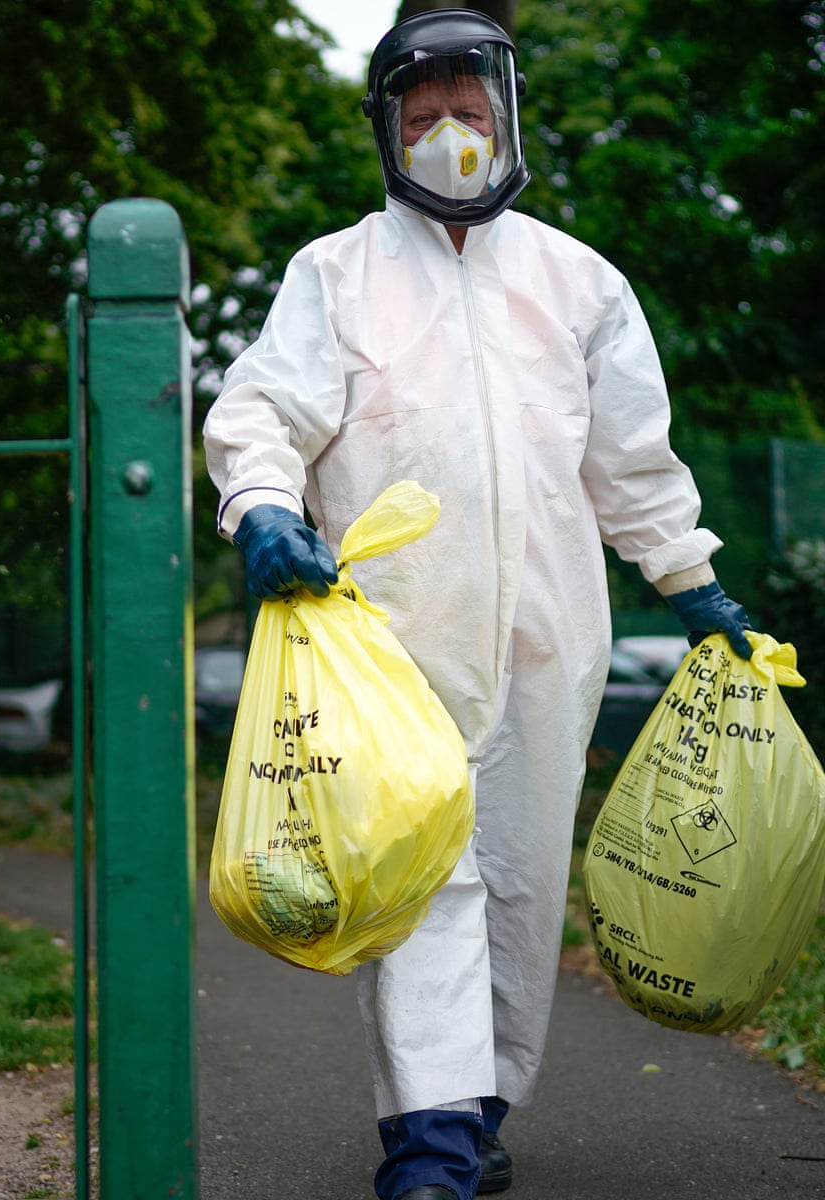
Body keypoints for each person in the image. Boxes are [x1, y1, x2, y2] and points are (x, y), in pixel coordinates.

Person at [202, 9, 754, 1200]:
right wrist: (260, 504)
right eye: (422, 117)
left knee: (517, 868)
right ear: (386, 133)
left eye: (468, 112)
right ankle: (431, 1138)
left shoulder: (578, 281)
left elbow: (630, 462)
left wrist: (693, 580)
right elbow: (263, 409)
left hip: (550, 631)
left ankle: (482, 1101)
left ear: (505, 118)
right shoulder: (335, 272)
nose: (448, 135)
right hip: (390, 636)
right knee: (423, 871)